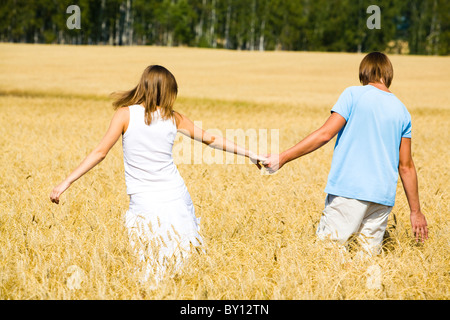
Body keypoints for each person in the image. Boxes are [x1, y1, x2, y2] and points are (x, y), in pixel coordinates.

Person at [50, 65, 264, 284]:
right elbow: (212, 139)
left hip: (145, 197)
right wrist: (250, 154)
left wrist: (67, 181)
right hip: (175, 194)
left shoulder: (125, 114)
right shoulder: (174, 117)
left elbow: (100, 152)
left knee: (149, 262)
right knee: (182, 256)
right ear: (168, 91)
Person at [262, 52, 428, 257]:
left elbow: (325, 134)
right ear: (388, 75)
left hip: (349, 190)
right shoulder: (402, 110)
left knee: (327, 257)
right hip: (382, 198)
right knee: (365, 263)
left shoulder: (353, 94)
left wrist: (283, 157)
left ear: (364, 74)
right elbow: (406, 166)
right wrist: (415, 211)